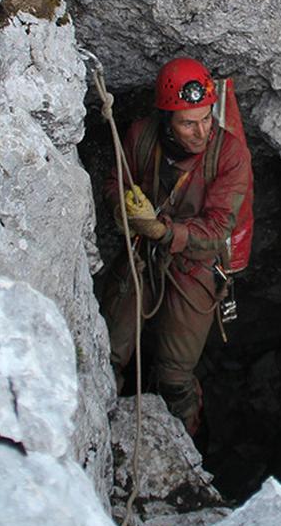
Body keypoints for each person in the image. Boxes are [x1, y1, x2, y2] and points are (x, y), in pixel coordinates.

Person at [99, 56, 252, 434]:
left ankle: (185, 445)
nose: (201, 132)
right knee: (106, 352)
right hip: (142, 254)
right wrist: (122, 208)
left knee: (174, 375)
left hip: (195, 264)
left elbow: (218, 229)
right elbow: (115, 181)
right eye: (188, 123)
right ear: (167, 120)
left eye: (205, 119)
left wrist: (165, 232)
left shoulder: (229, 154)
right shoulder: (141, 136)